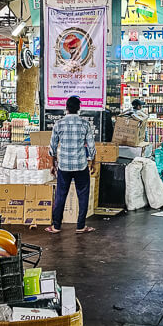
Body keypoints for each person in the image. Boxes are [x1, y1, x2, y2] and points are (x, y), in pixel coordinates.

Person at [47, 96, 96, 234]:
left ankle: (56, 226)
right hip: (81, 165)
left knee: (61, 195)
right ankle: (81, 226)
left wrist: (52, 165)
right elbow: (91, 147)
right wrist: (92, 163)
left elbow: (52, 147)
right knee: (83, 195)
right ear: (79, 108)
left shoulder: (59, 124)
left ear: (66, 108)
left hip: (64, 166)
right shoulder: (85, 124)